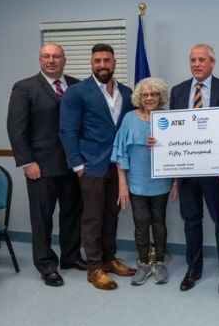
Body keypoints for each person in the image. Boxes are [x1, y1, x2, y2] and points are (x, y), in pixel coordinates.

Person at [7, 43, 86, 287]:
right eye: (46, 56)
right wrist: (27, 161)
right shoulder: (25, 87)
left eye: (56, 56)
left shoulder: (77, 85)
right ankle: (46, 265)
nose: (51, 60)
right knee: (42, 219)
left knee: (73, 215)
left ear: (65, 59)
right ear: (40, 60)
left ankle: (71, 257)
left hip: (73, 166)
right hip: (40, 167)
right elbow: (16, 128)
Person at [60, 43, 136, 290]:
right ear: (91, 63)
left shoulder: (126, 92)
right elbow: (67, 130)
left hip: (118, 167)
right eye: (97, 61)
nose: (102, 65)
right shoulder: (77, 92)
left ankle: (108, 258)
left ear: (114, 63)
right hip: (91, 166)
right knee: (92, 218)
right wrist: (78, 165)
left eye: (107, 60)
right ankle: (94, 268)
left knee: (111, 216)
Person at [169, 43, 219, 294]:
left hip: (215, 170)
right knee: (191, 221)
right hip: (187, 170)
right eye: (193, 60)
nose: (196, 64)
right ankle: (193, 269)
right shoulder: (177, 91)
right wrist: (160, 139)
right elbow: (172, 129)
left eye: (201, 59)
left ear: (212, 63)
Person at [111, 77, 173, 286]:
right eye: (145, 94)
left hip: (162, 183)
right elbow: (121, 154)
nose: (149, 98)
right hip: (136, 183)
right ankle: (144, 264)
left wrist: (176, 183)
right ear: (139, 97)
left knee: (159, 223)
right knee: (140, 224)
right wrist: (122, 185)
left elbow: (180, 154)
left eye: (154, 94)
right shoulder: (129, 118)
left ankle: (159, 263)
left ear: (160, 96)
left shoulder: (169, 118)